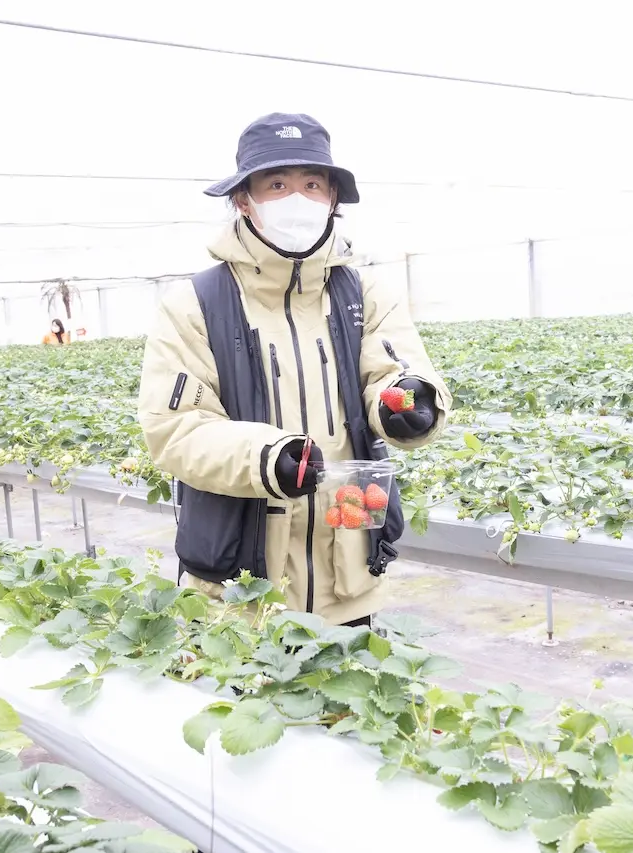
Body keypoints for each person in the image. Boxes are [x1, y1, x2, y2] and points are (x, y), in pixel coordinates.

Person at [138, 113, 451, 627]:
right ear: (245, 199)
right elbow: (175, 430)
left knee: (345, 704)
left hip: (347, 575)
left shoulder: (366, 294)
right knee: (246, 702)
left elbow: (392, 374)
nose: (297, 200)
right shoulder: (196, 304)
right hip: (241, 590)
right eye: (277, 185)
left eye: (311, 185)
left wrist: (408, 401)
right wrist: (268, 457)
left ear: (332, 198)